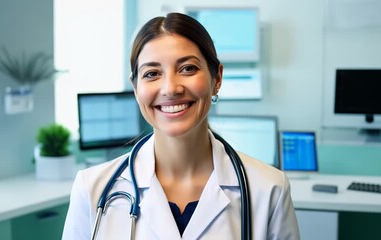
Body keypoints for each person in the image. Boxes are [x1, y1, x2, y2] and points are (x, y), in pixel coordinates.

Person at [62, 12, 300, 240]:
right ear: (136, 88)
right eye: (152, 73)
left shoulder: (269, 189)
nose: (170, 88)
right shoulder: (92, 189)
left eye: (188, 68)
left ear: (217, 79)